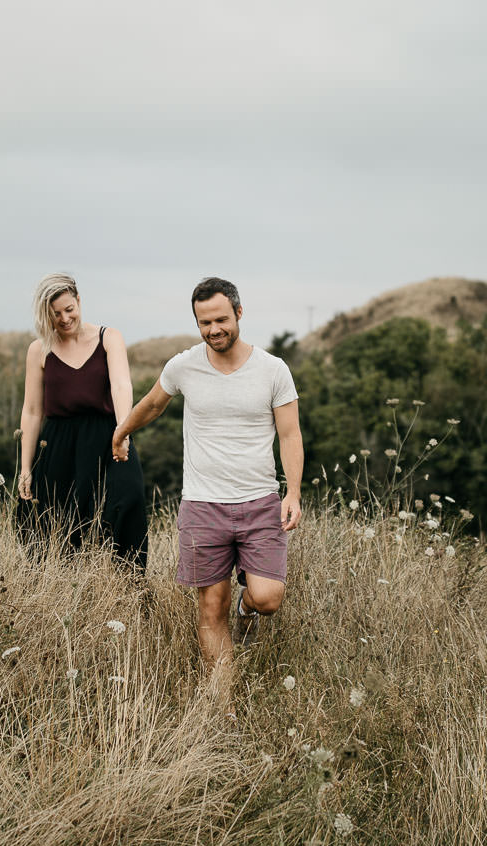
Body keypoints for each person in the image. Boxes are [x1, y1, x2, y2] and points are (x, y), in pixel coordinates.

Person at [112, 276, 302, 678]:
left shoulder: (273, 370)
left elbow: (290, 435)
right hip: (202, 506)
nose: (214, 330)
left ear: (239, 312)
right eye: (205, 323)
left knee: (268, 597)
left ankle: (247, 609)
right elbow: (153, 404)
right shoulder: (183, 366)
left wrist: (293, 493)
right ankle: (223, 703)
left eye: (221, 320)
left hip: (259, 501)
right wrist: (122, 431)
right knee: (211, 608)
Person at [17, 273, 149, 569]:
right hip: (58, 443)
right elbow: (32, 410)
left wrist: (123, 431)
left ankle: (128, 580)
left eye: (69, 309)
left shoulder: (109, 337)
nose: (65, 319)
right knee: (53, 520)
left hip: (108, 435)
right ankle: (59, 585)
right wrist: (25, 468)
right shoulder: (39, 350)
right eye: (55, 314)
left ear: (79, 300)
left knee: (127, 497)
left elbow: (121, 386)